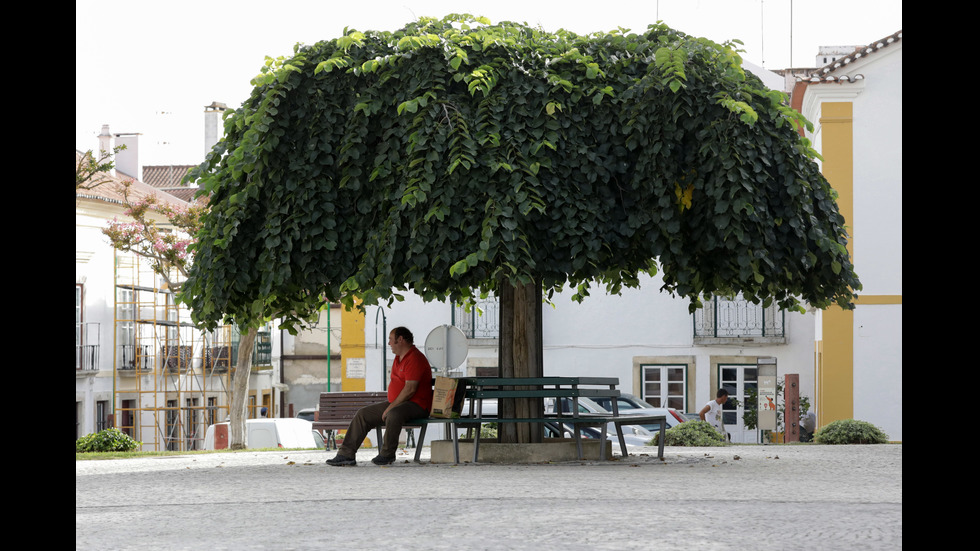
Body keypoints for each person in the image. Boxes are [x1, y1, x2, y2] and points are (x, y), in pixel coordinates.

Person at [327, 327, 433, 466]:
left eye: (390, 339)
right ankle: (346, 454)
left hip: (417, 405)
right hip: (398, 403)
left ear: (400, 339)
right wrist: (391, 405)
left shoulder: (414, 358)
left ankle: (387, 455)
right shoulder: (398, 358)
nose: (389, 343)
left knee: (393, 414)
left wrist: (391, 407)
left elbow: (410, 389)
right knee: (363, 414)